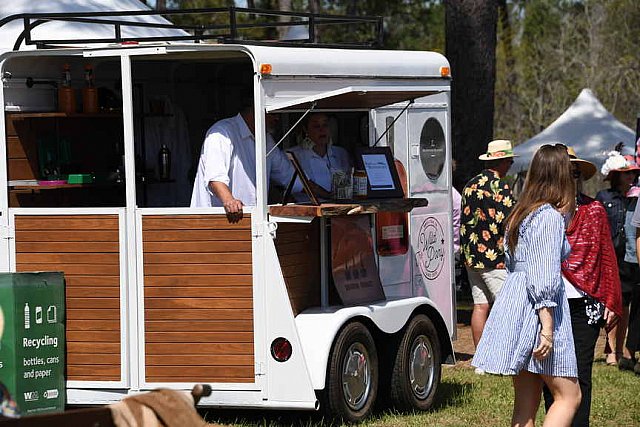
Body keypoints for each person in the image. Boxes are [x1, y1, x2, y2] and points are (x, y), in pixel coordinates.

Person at [472, 144, 581, 427]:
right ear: (561, 176)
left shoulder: (521, 213)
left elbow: (515, 265)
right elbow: (543, 274)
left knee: (526, 401)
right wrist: (546, 329)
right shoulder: (547, 217)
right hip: (537, 310)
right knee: (569, 396)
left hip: (517, 303)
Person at [542, 147, 622, 426]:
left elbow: (606, 256)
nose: (571, 177)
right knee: (550, 373)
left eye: (575, 172)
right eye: (566, 171)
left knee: (580, 374)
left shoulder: (594, 210)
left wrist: (610, 299)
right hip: (548, 305)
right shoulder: (540, 213)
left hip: (584, 304)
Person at [190, 103, 302, 221]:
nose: (277, 118)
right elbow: (215, 179)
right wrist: (230, 201)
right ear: (254, 109)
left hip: (249, 221)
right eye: (272, 113)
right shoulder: (221, 132)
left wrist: (320, 195)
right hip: (212, 223)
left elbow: (290, 176)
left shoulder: (266, 139)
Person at [460, 139, 516, 350]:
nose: (510, 164)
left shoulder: (469, 185)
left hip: (471, 257)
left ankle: (481, 359)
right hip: (494, 258)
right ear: (501, 161)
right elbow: (510, 221)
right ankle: (504, 354)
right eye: (509, 160)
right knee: (507, 308)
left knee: (480, 306)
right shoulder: (500, 187)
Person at [595, 151, 640, 366]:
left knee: (627, 307)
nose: (630, 176)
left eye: (633, 173)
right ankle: (611, 350)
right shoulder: (604, 197)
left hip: (630, 257)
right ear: (616, 175)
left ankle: (621, 349)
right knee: (614, 304)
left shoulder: (636, 197)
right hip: (610, 257)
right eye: (626, 173)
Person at [289, 112, 351, 199]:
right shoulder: (293, 155)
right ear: (306, 130)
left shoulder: (341, 153)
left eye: (325, 125)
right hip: (307, 209)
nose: (322, 130)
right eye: (316, 126)